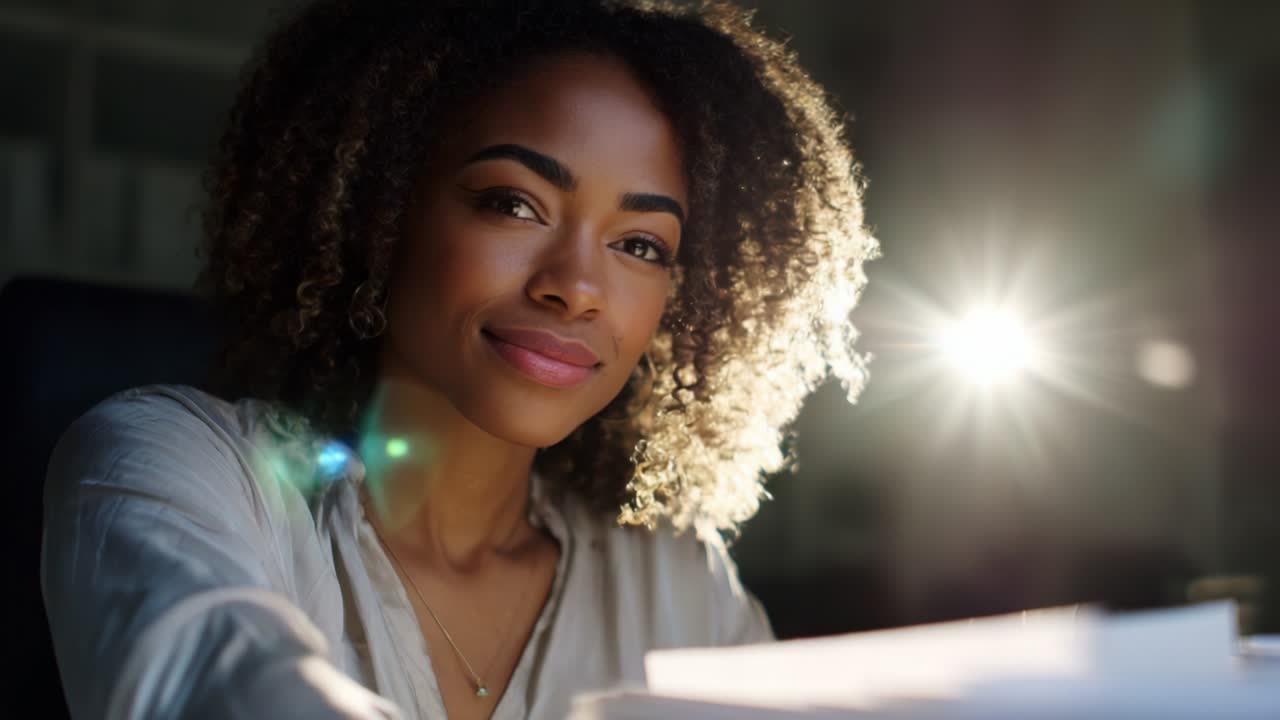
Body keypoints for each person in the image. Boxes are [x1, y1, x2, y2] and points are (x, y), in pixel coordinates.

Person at [41, 1, 876, 718]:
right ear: (381, 206)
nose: (577, 287)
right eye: (514, 204)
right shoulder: (172, 466)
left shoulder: (676, 582)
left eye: (640, 244)